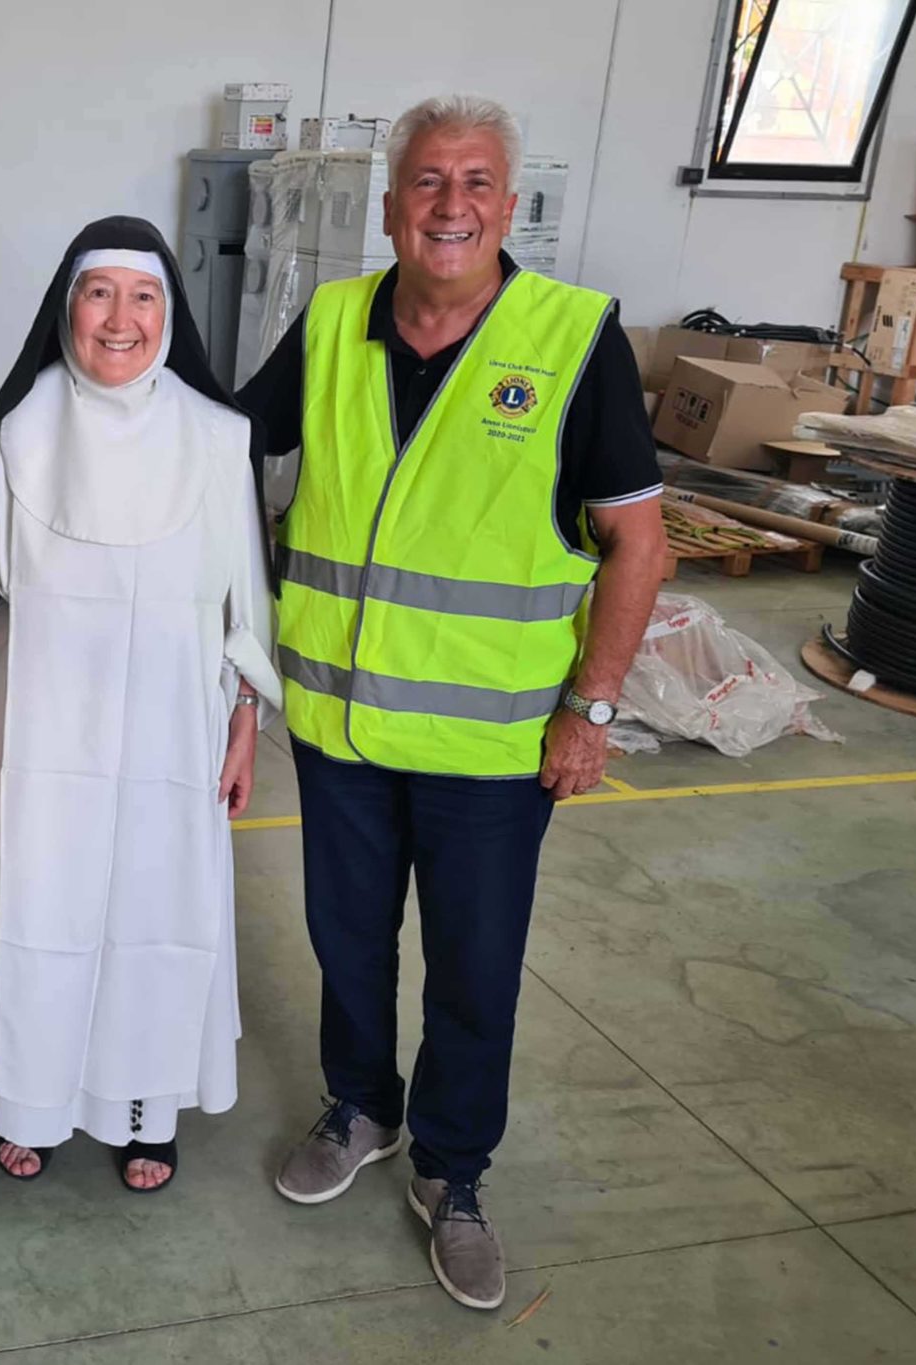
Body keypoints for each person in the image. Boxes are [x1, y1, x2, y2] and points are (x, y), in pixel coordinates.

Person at [238, 94, 668, 1310]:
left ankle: (453, 1171)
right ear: (389, 207)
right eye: (428, 180)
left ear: (507, 204)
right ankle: (361, 1108)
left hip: (492, 745)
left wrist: (590, 710)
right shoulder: (333, 324)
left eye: (476, 182)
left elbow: (636, 546)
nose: (450, 205)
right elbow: (215, 442)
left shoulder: (571, 339)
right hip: (341, 728)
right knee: (345, 943)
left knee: (472, 971)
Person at [0, 217, 282, 1194]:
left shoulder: (217, 437)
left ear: (168, 315)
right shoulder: (18, 433)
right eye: (99, 294)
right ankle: (31, 1104)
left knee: (151, 916)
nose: (119, 318)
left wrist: (244, 723)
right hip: (37, 731)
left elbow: (244, 604)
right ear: (67, 309)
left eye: (142, 296)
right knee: (36, 913)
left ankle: (145, 1111)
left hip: (171, 733)